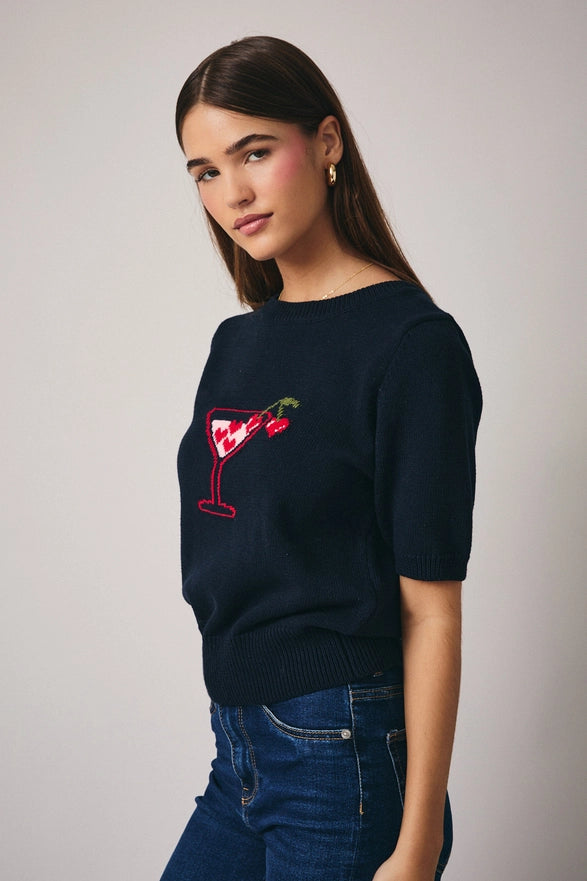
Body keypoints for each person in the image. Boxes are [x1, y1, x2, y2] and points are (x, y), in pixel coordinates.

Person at [161, 35, 482, 881]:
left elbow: (431, 611)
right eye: (204, 171)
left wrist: (416, 844)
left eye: (254, 153)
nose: (232, 193)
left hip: (341, 754)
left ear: (327, 141)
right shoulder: (236, 344)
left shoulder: (410, 344)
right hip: (239, 749)